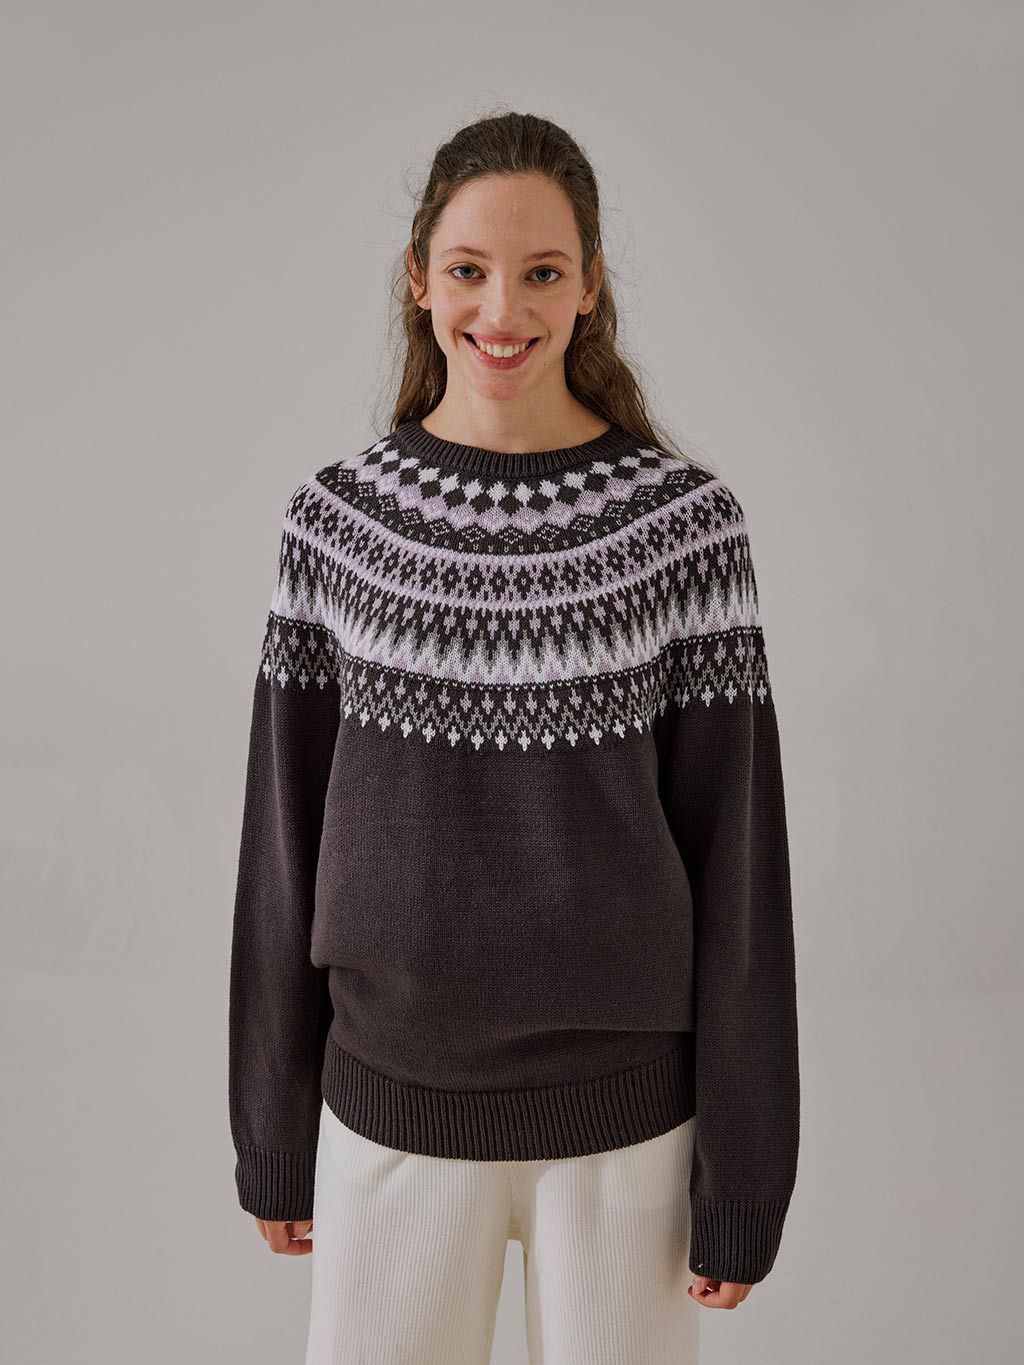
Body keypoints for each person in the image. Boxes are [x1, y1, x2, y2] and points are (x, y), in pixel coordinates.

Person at [228, 109, 800, 1365]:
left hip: (627, 1132)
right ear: (419, 280)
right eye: (469, 270)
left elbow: (739, 864)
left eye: (542, 271)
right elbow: (282, 837)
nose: (503, 310)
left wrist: (746, 1173)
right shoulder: (335, 522)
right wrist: (269, 1123)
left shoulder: (683, 527)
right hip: (388, 1113)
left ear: (589, 286)